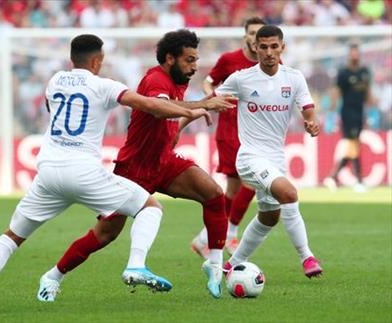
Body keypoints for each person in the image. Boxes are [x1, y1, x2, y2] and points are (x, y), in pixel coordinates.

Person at [0, 34, 214, 312]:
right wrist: (201, 105)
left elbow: (50, 109)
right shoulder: (104, 85)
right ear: (97, 60)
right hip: (82, 172)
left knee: (12, 237)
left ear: (71, 58)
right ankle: (136, 265)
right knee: (150, 207)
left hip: (47, 173)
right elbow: (151, 105)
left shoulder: (55, 81)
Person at [38, 29, 234, 300]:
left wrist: (191, 115)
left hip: (163, 162)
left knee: (214, 195)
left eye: (195, 59)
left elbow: (168, 128)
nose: (194, 66)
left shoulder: (179, 81)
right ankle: (53, 276)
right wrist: (200, 105)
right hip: (134, 169)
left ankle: (213, 265)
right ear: (169, 58)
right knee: (106, 234)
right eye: (189, 60)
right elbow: (157, 107)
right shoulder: (155, 79)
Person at [215, 25, 323, 278]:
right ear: (255, 48)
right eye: (263, 47)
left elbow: (307, 109)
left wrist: (311, 123)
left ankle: (231, 264)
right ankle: (307, 257)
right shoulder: (242, 78)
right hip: (250, 157)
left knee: (270, 217)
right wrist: (184, 117)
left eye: (274, 46)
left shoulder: (294, 77)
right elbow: (213, 100)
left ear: (282, 47)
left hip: (276, 158)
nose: (269, 52)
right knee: (289, 193)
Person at [191, 17, 265, 258]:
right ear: (245, 36)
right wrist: (213, 100)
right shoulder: (229, 60)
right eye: (252, 32)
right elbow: (208, 82)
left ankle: (205, 237)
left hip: (256, 132)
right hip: (230, 131)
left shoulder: (271, 61)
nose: (256, 38)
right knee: (251, 183)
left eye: (260, 34)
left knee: (234, 189)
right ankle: (230, 233)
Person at [323, 43, 372, 193]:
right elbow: (336, 92)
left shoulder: (364, 72)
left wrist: (370, 111)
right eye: (352, 53)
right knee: (354, 145)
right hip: (347, 112)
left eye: (356, 53)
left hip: (360, 112)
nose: (354, 55)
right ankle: (358, 180)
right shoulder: (343, 73)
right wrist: (330, 113)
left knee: (353, 146)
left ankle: (332, 177)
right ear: (349, 55)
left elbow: (367, 92)